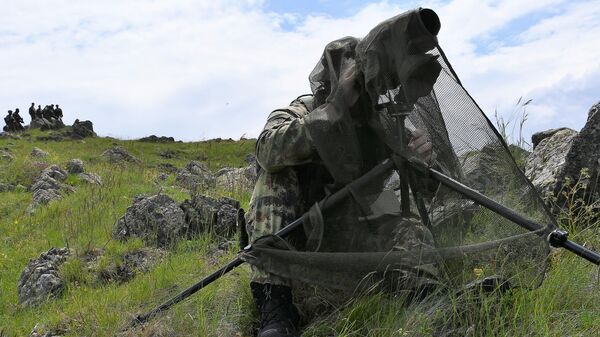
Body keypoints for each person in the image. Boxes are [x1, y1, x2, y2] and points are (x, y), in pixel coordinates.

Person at [246, 56, 435, 336]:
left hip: (351, 226)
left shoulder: (378, 122)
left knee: (399, 212)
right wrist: (333, 111)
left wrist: (422, 159)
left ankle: (427, 298)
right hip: (297, 231)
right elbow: (267, 152)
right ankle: (277, 309)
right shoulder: (299, 111)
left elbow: (429, 190)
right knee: (274, 177)